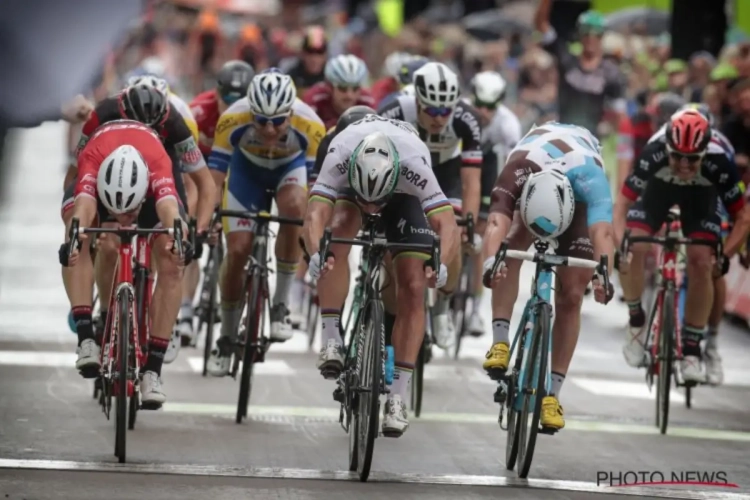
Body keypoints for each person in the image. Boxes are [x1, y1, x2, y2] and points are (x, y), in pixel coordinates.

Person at [303, 114, 460, 436]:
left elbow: (448, 225)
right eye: (368, 203)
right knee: (339, 231)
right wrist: (318, 253)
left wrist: (441, 263)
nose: (372, 211)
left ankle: (398, 398)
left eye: (377, 204)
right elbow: (315, 213)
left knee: (414, 285)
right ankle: (331, 338)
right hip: (354, 184)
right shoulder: (340, 155)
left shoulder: (414, 165)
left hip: (403, 194)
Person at [63, 85, 215, 363]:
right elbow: (79, 189)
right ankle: (92, 328)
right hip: (103, 174)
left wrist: (193, 231)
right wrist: (76, 235)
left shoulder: (172, 130)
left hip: (154, 178)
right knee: (90, 236)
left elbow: (198, 188)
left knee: (171, 255)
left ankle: (156, 347)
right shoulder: (101, 122)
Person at [482, 121, 616, 431]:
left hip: (577, 197)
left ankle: (552, 394)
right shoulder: (517, 169)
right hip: (535, 175)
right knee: (509, 247)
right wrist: (491, 261)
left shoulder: (591, 178)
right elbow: (495, 223)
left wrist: (603, 273)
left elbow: (603, 231)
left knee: (571, 295)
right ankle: (500, 342)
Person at [59, 120, 191, 408]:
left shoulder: (157, 161)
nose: (124, 220)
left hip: (150, 190)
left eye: (130, 212)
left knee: (172, 259)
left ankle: (153, 370)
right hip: (98, 187)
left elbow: (170, 209)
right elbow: (83, 207)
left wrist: (180, 241)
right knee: (77, 237)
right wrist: (75, 235)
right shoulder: (92, 161)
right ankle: (87, 337)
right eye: (120, 213)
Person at [615, 110, 749, 383]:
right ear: (667, 148)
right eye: (677, 157)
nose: (684, 165)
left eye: (692, 159)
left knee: (703, 260)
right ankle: (637, 322)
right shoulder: (653, 152)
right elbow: (622, 206)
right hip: (657, 193)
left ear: (704, 153)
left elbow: (742, 218)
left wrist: (726, 255)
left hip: (701, 198)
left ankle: (691, 349)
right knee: (634, 247)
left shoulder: (719, 161)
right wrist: (621, 245)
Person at [206, 70, 325, 376]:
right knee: (237, 250)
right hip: (246, 174)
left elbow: (315, 194)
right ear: (250, 113)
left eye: (278, 121)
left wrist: (310, 233)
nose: (270, 129)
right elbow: (214, 180)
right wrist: (207, 221)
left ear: (291, 112)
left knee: (295, 208)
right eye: (261, 121)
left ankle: (281, 304)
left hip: (289, 170)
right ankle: (227, 335)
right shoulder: (232, 119)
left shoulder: (311, 125)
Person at [379, 61, 483, 349]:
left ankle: (442, 307)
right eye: (432, 110)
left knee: (457, 233)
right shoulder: (394, 111)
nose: (439, 118)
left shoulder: (467, 118)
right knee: (390, 245)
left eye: (445, 110)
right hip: (404, 173)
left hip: (444, 173)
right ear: (417, 101)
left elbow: (472, 181)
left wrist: (468, 223)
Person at [464, 71, 522, 337]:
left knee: (481, 236)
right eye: (480, 105)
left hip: (491, 170)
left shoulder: (508, 124)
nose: (484, 112)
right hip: (463, 165)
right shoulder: (461, 112)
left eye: (491, 106)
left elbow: (512, 169)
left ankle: (475, 309)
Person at [534, 1, 626, 135]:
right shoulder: (567, 59)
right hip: (563, 136)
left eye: (595, 34)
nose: (590, 38)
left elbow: (619, 114)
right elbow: (541, 25)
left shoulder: (610, 72)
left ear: (601, 37)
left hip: (591, 140)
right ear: (579, 35)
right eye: (586, 33)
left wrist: (610, 132)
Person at [191, 60, 256, 159]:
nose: (233, 110)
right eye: (228, 101)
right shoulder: (199, 108)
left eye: (240, 104)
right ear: (217, 94)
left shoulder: (260, 111)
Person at [302, 54, 374, 129]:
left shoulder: (367, 102)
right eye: (342, 88)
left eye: (355, 88)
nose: (349, 95)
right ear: (330, 87)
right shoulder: (315, 99)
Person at [279, 26, 328, 96]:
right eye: (310, 52)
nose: (314, 58)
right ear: (302, 54)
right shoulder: (291, 77)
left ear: (325, 55)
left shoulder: (331, 78)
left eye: (319, 52)